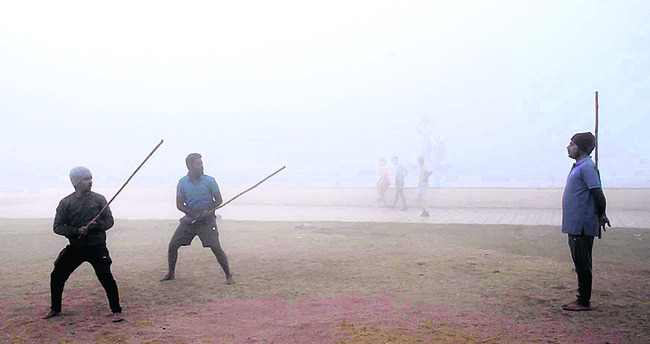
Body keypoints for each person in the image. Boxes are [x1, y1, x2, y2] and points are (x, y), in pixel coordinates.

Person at [43, 167, 123, 322]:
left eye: (91, 178)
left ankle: (116, 310)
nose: (90, 181)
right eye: (86, 179)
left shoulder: (99, 199)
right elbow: (58, 227)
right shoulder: (66, 203)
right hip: (76, 247)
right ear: (76, 182)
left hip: (97, 246)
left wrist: (96, 225)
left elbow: (110, 221)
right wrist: (77, 231)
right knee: (57, 275)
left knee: (105, 276)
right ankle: (55, 309)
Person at [160, 153, 234, 285]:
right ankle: (171, 273)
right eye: (198, 164)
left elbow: (218, 200)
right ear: (189, 166)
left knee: (216, 247)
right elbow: (179, 204)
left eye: (201, 163)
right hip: (190, 221)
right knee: (173, 245)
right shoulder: (182, 182)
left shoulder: (210, 180)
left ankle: (229, 275)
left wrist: (206, 211)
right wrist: (194, 214)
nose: (201, 166)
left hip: (207, 221)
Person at [561, 132, 611, 311]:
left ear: (581, 147)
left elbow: (598, 193)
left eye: (572, 144)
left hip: (582, 224)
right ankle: (581, 297)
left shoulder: (588, 167)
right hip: (574, 224)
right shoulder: (579, 166)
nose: (568, 147)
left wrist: (601, 214)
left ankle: (583, 301)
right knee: (579, 262)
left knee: (583, 262)